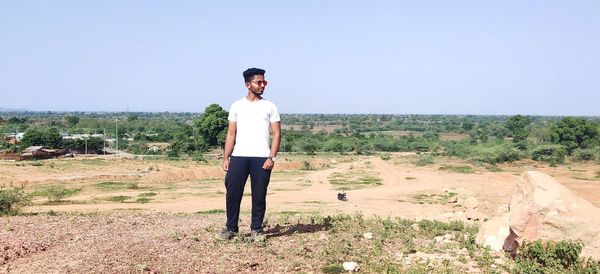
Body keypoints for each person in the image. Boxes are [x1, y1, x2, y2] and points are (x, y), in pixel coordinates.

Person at [216, 67, 281, 241]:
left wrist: (271, 157)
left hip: (262, 157)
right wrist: (226, 157)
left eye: (264, 82)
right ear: (247, 84)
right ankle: (231, 228)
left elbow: (277, 134)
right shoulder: (237, 106)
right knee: (232, 193)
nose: (262, 86)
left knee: (259, 195)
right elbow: (231, 134)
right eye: (259, 82)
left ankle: (257, 229)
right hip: (239, 156)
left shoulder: (270, 106)